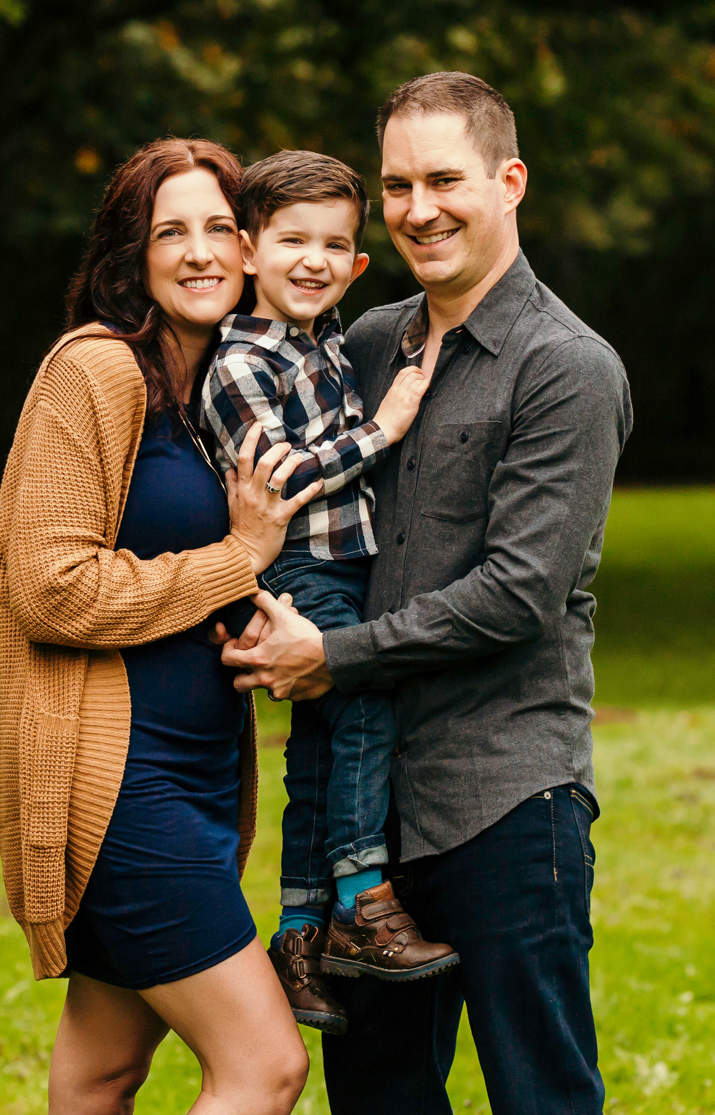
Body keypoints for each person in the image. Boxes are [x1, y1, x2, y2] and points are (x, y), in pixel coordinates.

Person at [221, 73, 634, 1115]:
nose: (419, 209)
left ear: (510, 181)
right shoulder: (360, 345)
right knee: (377, 1100)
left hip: (504, 794)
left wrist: (331, 656)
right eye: (398, 185)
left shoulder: (564, 367)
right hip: (367, 812)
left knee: (540, 1093)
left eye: (444, 179)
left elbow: (519, 592)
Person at [0, 137, 323, 1115]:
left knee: (100, 1074)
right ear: (130, 257)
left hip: (200, 772)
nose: (201, 251)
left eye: (221, 226)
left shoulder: (222, 388)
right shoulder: (95, 373)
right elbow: (46, 585)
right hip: (120, 791)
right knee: (264, 1066)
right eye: (170, 231)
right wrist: (238, 557)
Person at [196, 151, 456, 1038]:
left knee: (317, 752)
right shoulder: (236, 364)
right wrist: (384, 429)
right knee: (366, 700)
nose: (311, 259)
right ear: (247, 250)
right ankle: (361, 900)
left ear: (355, 264)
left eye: (334, 244)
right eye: (291, 239)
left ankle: (298, 936)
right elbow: (285, 478)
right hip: (302, 570)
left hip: (345, 566)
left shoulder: (327, 342)